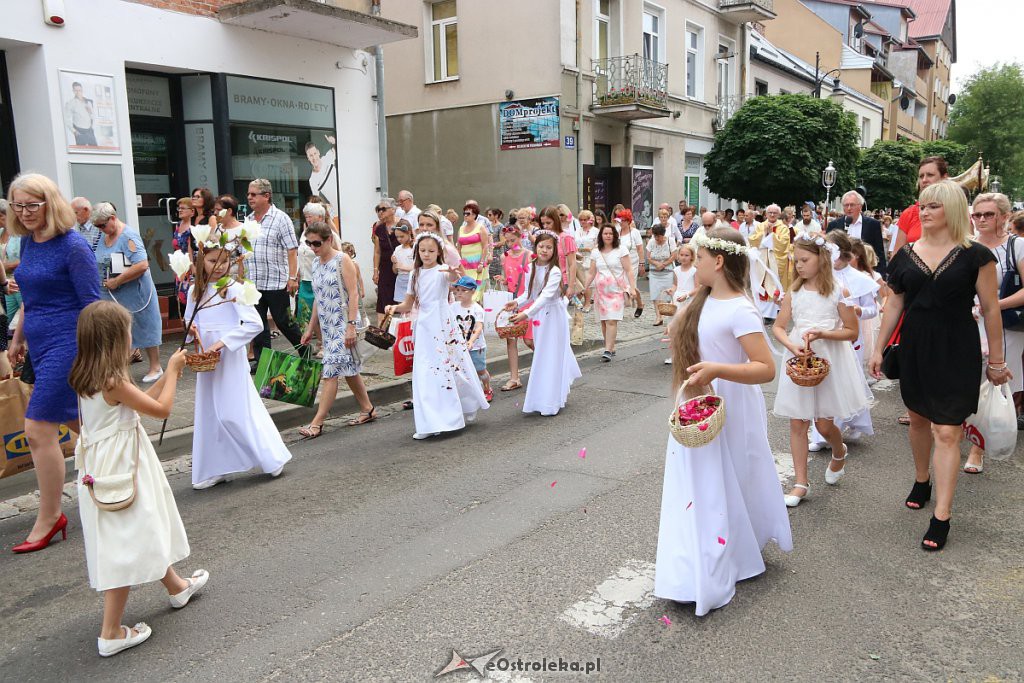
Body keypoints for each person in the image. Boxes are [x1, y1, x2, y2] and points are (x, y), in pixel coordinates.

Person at [655, 227, 791, 617]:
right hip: (698, 399)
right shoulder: (701, 298)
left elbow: (766, 369)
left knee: (729, 478)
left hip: (729, 402)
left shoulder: (741, 309)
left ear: (718, 261)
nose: (692, 263)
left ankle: (729, 554)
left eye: (698, 257)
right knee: (700, 483)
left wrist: (718, 367)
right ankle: (692, 563)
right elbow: (694, 332)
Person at [869, 180, 1008, 551]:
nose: (923, 212)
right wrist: (878, 347)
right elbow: (894, 305)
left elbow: (991, 310)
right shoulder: (904, 254)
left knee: (947, 432)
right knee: (917, 419)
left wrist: (997, 360)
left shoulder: (976, 255)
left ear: (951, 210)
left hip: (957, 349)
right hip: (915, 346)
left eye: (932, 206)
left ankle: (942, 514)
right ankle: (921, 477)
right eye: (921, 206)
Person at [68, 301, 207, 658]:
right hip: (121, 468)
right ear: (115, 339)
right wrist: (175, 371)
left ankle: (176, 586)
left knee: (139, 528)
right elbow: (160, 410)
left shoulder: (88, 375)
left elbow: (140, 402)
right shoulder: (112, 380)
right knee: (126, 541)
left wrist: (167, 374)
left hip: (106, 467)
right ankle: (111, 632)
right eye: (128, 331)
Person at [7, 173, 101, 553]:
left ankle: (50, 516)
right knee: (84, 424)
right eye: (18, 205)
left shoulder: (73, 246)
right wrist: (18, 337)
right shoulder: (28, 244)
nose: (25, 212)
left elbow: (93, 303)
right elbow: (30, 297)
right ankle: (128, 465)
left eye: (33, 204)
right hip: (41, 344)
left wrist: (98, 352)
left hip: (70, 342)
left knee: (37, 427)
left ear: (50, 203)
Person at [185, 240, 293, 489]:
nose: (220, 267)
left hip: (229, 356)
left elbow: (254, 324)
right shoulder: (195, 291)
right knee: (210, 412)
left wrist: (222, 343)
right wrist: (190, 330)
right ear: (201, 261)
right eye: (213, 261)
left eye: (224, 261)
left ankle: (270, 455)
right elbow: (190, 323)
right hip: (206, 359)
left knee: (233, 410)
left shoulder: (233, 288)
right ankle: (216, 467)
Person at [773, 234, 870, 507]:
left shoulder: (839, 291)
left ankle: (839, 451)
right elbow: (779, 326)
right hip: (800, 358)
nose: (799, 266)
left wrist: (824, 333)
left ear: (822, 259)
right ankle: (800, 483)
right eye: (796, 261)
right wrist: (791, 346)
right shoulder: (794, 292)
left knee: (824, 424)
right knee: (797, 422)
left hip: (828, 358)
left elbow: (851, 331)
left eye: (804, 260)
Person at [385, 233, 487, 439]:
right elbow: (408, 303)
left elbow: (454, 279)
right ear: (417, 252)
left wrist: (453, 272)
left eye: (431, 251)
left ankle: (462, 407)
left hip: (443, 324)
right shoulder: (415, 274)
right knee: (424, 371)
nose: (427, 254)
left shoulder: (442, 271)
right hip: (424, 325)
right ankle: (429, 422)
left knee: (453, 366)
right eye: (422, 251)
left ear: (439, 252)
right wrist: (393, 308)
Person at [299, 221, 376, 436]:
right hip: (328, 325)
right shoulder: (316, 263)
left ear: (329, 240)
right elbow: (318, 298)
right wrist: (309, 328)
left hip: (344, 323)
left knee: (330, 371)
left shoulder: (343, 260)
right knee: (349, 370)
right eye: (309, 243)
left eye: (317, 243)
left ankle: (317, 422)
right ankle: (368, 409)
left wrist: (351, 326)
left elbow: (353, 293)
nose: (313, 247)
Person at [964, 192, 1021, 474]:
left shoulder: (1016, 246)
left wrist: (994, 305)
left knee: (992, 385)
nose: (982, 219)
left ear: (1004, 216)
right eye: (977, 214)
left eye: (989, 214)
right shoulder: (966, 246)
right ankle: (964, 430)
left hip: (1003, 325)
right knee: (967, 384)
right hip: (968, 325)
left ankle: (978, 448)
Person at [806, 231, 879, 452]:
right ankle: (821, 432)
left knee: (844, 382)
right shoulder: (817, 276)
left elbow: (872, 309)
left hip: (848, 339)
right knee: (821, 382)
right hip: (821, 337)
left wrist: (858, 310)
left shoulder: (860, 280)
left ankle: (837, 426)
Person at [504, 231, 581, 416]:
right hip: (540, 318)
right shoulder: (531, 267)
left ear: (554, 250)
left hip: (554, 315)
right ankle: (542, 398)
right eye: (541, 246)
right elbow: (530, 293)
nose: (544, 250)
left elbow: (546, 296)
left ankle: (552, 400)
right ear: (535, 247)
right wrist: (517, 302)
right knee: (542, 356)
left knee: (552, 356)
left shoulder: (554, 271)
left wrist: (526, 314)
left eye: (548, 247)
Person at [92, 203, 164, 383]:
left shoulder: (128, 236)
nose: (100, 229)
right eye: (97, 226)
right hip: (112, 293)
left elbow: (142, 264)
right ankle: (118, 369)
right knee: (116, 330)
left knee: (144, 324)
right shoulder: (104, 235)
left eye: (102, 225)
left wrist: (117, 281)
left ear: (113, 218)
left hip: (134, 291)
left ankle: (155, 366)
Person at [245, 179, 305, 369]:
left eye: (253, 194)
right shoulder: (248, 220)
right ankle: (263, 362)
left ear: (266, 196)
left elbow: (292, 249)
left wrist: (293, 277)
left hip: (276, 281)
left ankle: (306, 351)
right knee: (258, 325)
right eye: (249, 194)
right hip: (254, 281)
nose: (249, 198)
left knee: (284, 322)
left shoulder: (281, 218)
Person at [584, 224, 637, 362]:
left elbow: (629, 270)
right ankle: (611, 346)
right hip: (600, 292)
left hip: (616, 291)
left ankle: (607, 350)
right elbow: (591, 272)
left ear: (615, 235)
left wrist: (632, 287)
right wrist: (584, 287)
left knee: (611, 320)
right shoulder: (596, 252)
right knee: (603, 321)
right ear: (601, 235)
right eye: (605, 233)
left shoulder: (621, 250)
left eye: (610, 233)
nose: (608, 236)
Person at [894, 156, 950, 254]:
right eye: (921, 176)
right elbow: (896, 257)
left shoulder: (957, 210)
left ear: (944, 177)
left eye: (930, 175)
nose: (924, 180)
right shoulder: (909, 213)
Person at [297, 202, 339, 333]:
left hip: (323, 278)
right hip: (306, 278)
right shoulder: (305, 233)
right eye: (306, 217)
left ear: (320, 217)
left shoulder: (329, 234)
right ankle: (319, 340)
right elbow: (301, 253)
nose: (307, 219)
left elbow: (338, 254)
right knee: (305, 313)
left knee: (322, 312)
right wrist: (298, 271)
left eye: (310, 216)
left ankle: (322, 343)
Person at [500, 223, 532, 392]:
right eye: (507, 241)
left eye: (513, 240)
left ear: (520, 237)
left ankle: (549, 364)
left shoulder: (529, 256)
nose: (511, 243)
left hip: (526, 302)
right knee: (511, 340)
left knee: (528, 340)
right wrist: (503, 280)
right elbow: (508, 278)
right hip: (511, 302)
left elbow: (532, 281)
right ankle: (514, 378)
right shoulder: (504, 257)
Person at [827, 191, 888, 276]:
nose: (848, 208)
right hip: (839, 274)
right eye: (846, 205)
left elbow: (879, 252)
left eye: (852, 205)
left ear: (860, 207)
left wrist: (882, 275)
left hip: (865, 273)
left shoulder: (873, 225)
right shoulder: (834, 225)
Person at [451, 276, 492, 402]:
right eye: (457, 290)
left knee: (480, 370)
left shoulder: (477, 309)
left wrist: (471, 341)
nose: (459, 293)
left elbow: (479, 327)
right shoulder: (453, 307)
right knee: (461, 371)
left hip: (476, 347)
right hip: (459, 346)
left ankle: (487, 388)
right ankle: (468, 393)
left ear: (473, 291)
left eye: (464, 290)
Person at [749, 204, 792, 291]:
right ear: (766, 214)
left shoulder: (783, 228)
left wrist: (772, 235)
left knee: (775, 284)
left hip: (775, 259)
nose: (772, 215)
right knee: (761, 282)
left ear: (779, 214)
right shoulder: (761, 226)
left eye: (775, 213)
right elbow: (752, 240)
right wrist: (764, 234)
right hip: (762, 258)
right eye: (770, 212)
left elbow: (783, 244)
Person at [372, 197, 401, 325]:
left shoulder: (402, 225)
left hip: (401, 269)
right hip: (384, 270)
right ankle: (382, 332)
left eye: (383, 209)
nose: (380, 212)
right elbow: (377, 251)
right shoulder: (379, 228)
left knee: (400, 300)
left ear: (393, 210)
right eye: (378, 209)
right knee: (383, 301)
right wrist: (375, 271)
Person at [457, 201, 491, 301]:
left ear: (475, 215)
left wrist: (481, 263)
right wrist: (460, 263)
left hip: (477, 265)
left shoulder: (480, 227)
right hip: (465, 265)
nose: (465, 215)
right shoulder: (461, 228)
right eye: (464, 213)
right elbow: (459, 248)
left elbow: (485, 246)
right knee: (465, 289)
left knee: (476, 293)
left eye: (468, 213)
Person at [306, 136, 340, 223]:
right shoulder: (312, 180)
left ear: (318, 153)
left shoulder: (328, 158)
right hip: (337, 214)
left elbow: (340, 147)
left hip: (348, 198)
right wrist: (327, 207)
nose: (314, 158)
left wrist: (334, 141)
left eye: (314, 154)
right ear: (308, 158)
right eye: (310, 155)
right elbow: (317, 202)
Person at [172, 198, 197, 314]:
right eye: (179, 208)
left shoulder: (194, 227)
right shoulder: (178, 225)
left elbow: (191, 249)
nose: (180, 211)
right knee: (181, 300)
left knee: (190, 299)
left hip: (191, 267)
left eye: (183, 208)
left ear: (192, 211)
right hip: (179, 267)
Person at [647, 225, 675, 326]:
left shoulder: (670, 241)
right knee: (655, 295)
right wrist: (656, 264)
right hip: (654, 272)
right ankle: (658, 317)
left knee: (668, 295)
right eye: (655, 236)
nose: (657, 239)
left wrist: (663, 264)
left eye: (659, 236)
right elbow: (648, 257)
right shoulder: (651, 242)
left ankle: (669, 316)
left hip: (667, 271)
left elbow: (673, 256)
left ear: (663, 235)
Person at [0, 199, 22, 325]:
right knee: (3, 319)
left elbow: (26, 257)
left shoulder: (20, 232)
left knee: (29, 316)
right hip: (5, 283)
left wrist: (5, 266)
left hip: (19, 282)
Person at [576, 210, 600, 311]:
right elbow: (573, 243)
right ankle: (578, 300)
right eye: (581, 220)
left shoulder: (595, 231)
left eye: (585, 220)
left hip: (591, 257)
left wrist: (591, 249)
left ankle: (587, 303)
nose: (582, 222)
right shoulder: (577, 231)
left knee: (588, 282)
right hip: (579, 257)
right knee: (580, 281)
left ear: (589, 220)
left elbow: (599, 244)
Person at [64, 81, 97, 146]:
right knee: (81, 152)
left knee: (95, 149)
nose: (78, 92)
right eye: (76, 90)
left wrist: (90, 112)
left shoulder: (88, 102)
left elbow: (93, 116)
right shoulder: (70, 103)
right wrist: (74, 131)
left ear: (82, 90)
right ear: (73, 91)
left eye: (79, 90)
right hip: (79, 131)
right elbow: (65, 118)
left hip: (90, 131)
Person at [391, 223, 415, 304]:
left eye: (402, 236)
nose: (399, 239)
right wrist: (394, 263)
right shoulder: (397, 249)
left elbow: (419, 268)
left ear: (409, 233)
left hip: (412, 279)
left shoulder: (415, 247)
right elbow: (395, 271)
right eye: (397, 237)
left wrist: (403, 267)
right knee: (401, 306)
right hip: (400, 280)